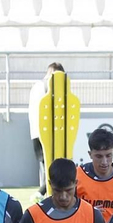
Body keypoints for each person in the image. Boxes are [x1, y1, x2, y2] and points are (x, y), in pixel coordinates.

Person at [29, 62, 65, 197]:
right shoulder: (51, 85)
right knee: (54, 165)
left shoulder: (35, 86)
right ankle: (42, 192)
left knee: (45, 165)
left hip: (35, 131)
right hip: (49, 132)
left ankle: (44, 191)